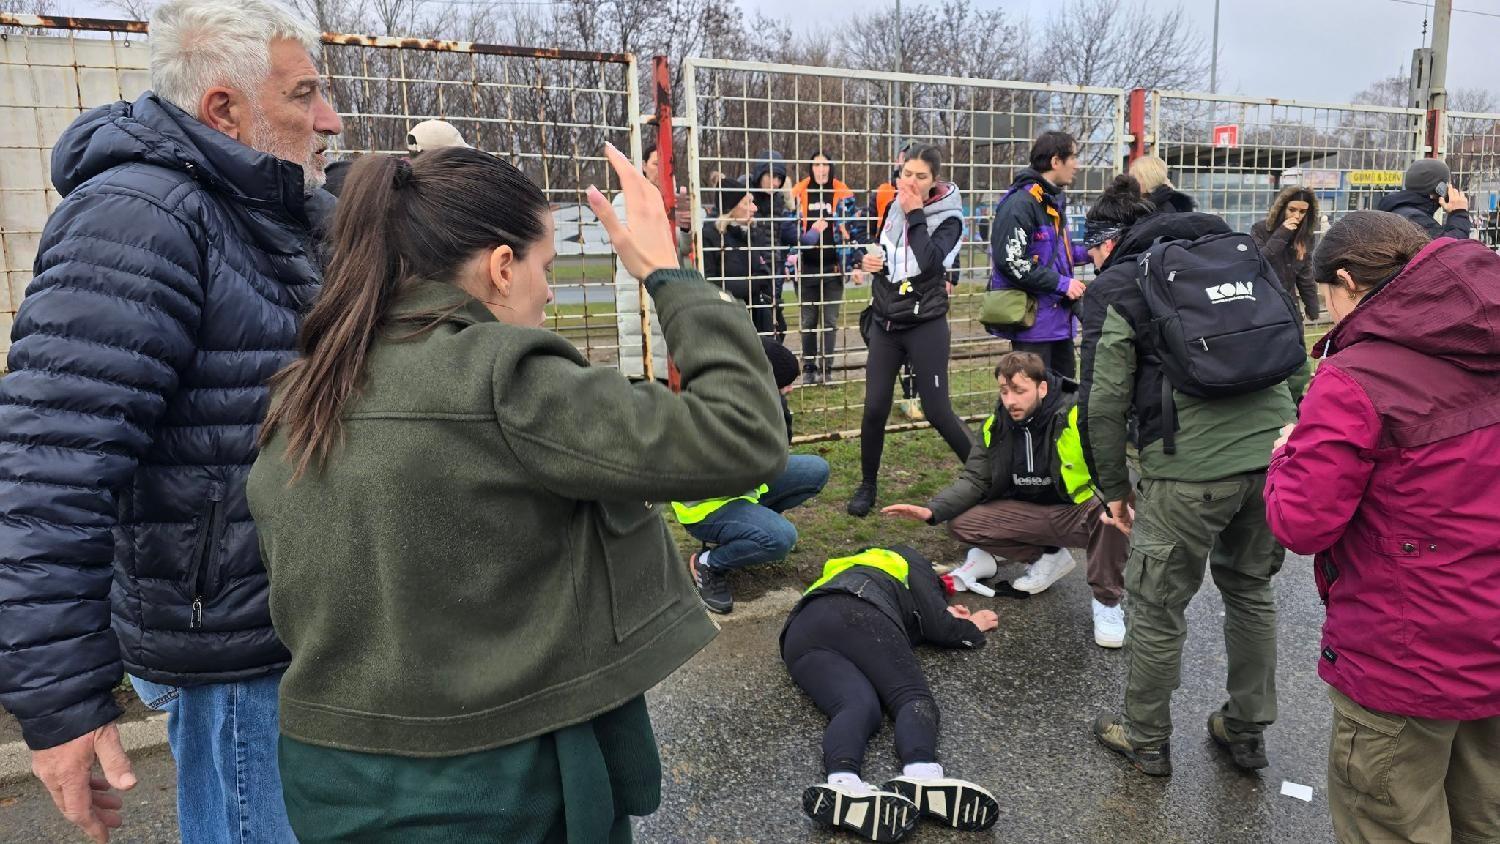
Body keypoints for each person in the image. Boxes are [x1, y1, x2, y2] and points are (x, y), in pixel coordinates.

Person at [245, 144, 788, 840]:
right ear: (502, 267)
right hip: (495, 789)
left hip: (332, 782)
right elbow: (742, 431)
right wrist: (668, 273)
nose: (551, 291)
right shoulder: (501, 378)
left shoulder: (307, 387)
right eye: (548, 269)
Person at [0, 1, 341, 841]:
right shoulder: (140, 217)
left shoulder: (272, 207)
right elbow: (49, 470)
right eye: (304, 96)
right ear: (224, 109)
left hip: (293, 626)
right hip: (229, 649)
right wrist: (62, 702)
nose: (329, 120)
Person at [1264, 211, 1500, 844]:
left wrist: (1290, 450)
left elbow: (1302, 521)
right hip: (1491, 634)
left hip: (1405, 649)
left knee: (1390, 817)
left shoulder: (1357, 375)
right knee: (1485, 815)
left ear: (1345, 281)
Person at [1077, 176, 1299, 777]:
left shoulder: (1122, 285)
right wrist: (1298, 441)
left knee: (1157, 605)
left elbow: (1101, 403)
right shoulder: (1243, 260)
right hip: (1273, 457)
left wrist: (1114, 492)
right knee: (1252, 590)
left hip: (1188, 472)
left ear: (1115, 239)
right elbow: (1292, 355)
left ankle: (1145, 736)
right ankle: (1247, 729)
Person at [882, 352, 1129, 648]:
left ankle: (1108, 602)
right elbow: (975, 479)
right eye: (1004, 391)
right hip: (1030, 513)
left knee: (1114, 507)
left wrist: (1119, 500)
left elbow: (1115, 467)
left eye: (1020, 391)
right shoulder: (996, 424)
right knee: (961, 523)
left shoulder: (1078, 414)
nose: (1010, 400)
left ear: (1042, 388)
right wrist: (932, 510)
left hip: (1078, 512)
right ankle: (1047, 557)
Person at [784, 546, 1001, 842]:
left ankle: (843, 783)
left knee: (858, 706)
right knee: (911, 696)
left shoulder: (842, 565)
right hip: (858, 611)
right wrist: (969, 627)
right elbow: (938, 627)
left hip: (800, 633)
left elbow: (893, 632)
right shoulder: (907, 560)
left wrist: (935, 616)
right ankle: (921, 774)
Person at [847, 145, 973, 518]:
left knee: (938, 411)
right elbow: (889, 257)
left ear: (934, 181)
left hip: (925, 324)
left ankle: (986, 474)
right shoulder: (890, 206)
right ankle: (867, 484)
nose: (911, 182)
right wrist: (871, 262)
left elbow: (930, 265)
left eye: (921, 176)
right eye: (906, 174)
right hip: (887, 322)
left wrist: (916, 213)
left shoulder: (950, 219)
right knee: (873, 409)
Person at [677, 339, 831, 614]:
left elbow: (778, 452)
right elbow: (756, 461)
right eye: (784, 384)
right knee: (782, 538)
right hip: (706, 505)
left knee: (816, 470)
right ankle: (709, 563)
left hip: (745, 485)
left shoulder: (750, 398)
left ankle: (750, 529)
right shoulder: (721, 408)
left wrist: (776, 405)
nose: (790, 389)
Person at [987, 131, 1090, 379]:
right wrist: (1062, 283)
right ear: (1056, 161)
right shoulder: (1022, 204)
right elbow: (1012, 261)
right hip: (1034, 327)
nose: (1077, 164)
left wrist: (1096, 251)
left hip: (1057, 325)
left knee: (1063, 394)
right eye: (1073, 157)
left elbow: (1059, 255)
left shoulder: (1050, 202)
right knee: (1032, 397)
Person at [610, 137, 692, 381]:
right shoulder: (625, 200)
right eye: (656, 164)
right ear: (644, 166)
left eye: (668, 166)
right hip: (637, 292)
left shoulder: (677, 201)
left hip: (670, 289)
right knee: (641, 361)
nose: (663, 171)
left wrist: (685, 228)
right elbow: (635, 245)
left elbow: (683, 249)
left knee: (670, 365)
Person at [786, 152, 861, 384]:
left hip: (833, 268)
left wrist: (854, 261)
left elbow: (853, 228)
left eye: (825, 165)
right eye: (816, 165)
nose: (821, 169)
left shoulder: (842, 192)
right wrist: (792, 257)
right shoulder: (799, 192)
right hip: (807, 267)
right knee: (808, 320)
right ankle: (809, 368)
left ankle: (827, 369)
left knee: (829, 321)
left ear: (831, 167)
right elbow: (788, 230)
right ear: (811, 168)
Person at [865, 139, 925, 419]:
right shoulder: (883, 194)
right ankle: (886, 395)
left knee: (918, 343)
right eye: (904, 162)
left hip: (922, 283)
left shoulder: (931, 196)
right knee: (887, 338)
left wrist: (953, 273)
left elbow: (944, 237)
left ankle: (913, 395)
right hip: (888, 280)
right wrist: (865, 257)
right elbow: (870, 231)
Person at [702, 177, 778, 334]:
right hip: (727, 322)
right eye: (747, 203)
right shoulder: (710, 236)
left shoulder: (754, 234)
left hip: (757, 319)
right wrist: (752, 285)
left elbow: (765, 274)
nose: (754, 208)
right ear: (731, 209)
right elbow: (710, 284)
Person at [1251, 186, 1321, 322]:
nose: (1297, 216)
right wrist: (1283, 233)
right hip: (1263, 302)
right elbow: (1259, 261)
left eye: (1302, 211)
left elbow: (1305, 275)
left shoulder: (1305, 236)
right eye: (1292, 210)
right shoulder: (1260, 229)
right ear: (1281, 208)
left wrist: (1312, 306)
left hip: (1289, 304)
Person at [1377, 158, 1472, 240]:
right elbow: (1450, 250)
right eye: (1446, 184)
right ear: (1439, 189)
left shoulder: (1396, 208)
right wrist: (1459, 213)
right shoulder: (1415, 219)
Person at [1128, 154, 1195, 214]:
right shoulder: (1140, 201)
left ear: (1148, 179)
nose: (1129, 181)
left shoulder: (1167, 208)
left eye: (1134, 177)